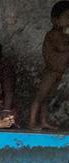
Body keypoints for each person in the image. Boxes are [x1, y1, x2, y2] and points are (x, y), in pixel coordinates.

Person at [29, 1, 69, 130]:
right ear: (55, 20)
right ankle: (32, 122)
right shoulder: (54, 34)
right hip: (51, 72)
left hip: (58, 72)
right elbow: (62, 48)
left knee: (47, 97)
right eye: (68, 17)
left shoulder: (63, 35)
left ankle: (43, 120)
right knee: (40, 96)